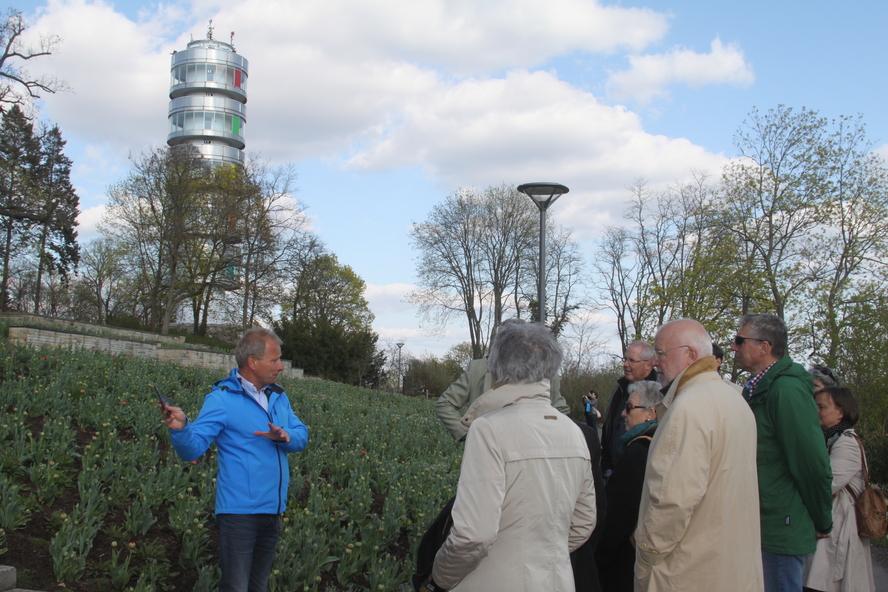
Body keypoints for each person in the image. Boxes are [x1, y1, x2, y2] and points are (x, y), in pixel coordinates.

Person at [430, 320, 597, 591]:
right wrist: (541, 556)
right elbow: (584, 522)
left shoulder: (487, 429)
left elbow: (473, 536)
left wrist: (440, 577)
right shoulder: (574, 432)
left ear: (496, 366)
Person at [161, 328, 309, 592]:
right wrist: (181, 429)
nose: (280, 367)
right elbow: (192, 449)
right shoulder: (222, 399)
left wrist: (285, 437)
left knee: (258, 586)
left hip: (273, 511)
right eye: (275, 360)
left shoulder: (278, 396)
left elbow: (302, 434)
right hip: (239, 514)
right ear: (253, 362)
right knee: (236, 587)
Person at [635, 319, 762, 592]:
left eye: (661, 353)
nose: (656, 362)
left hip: (688, 571)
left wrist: (646, 556)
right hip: (730, 566)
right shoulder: (735, 400)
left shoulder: (688, 407)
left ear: (690, 354)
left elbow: (672, 501)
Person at [731, 313, 832, 592]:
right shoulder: (757, 388)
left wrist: (822, 518)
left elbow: (811, 462)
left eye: (740, 340)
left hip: (781, 525)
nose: (734, 347)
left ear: (765, 346)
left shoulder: (786, 390)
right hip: (763, 520)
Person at [804, 386, 876, 592]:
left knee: (829, 583)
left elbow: (826, 486)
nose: (817, 411)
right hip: (835, 526)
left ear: (841, 411)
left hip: (841, 527)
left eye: (822, 407)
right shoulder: (833, 439)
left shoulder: (846, 443)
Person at [594, 380, 660, 592]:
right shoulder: (659, 445)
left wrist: (598, 556)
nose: (623, 413)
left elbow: (618, 517)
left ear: (651, 413)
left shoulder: (637, 452)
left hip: (625, 563)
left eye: (630, 408)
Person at [436, 348, 570, 442]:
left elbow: (560, 410)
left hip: (532, 449)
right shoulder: (478, 368)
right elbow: (445, 403)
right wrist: (467, 433)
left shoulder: (545, 371)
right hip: (486, 449)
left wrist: (548, 437)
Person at [600, 341, 657, 478]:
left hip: (638, 473)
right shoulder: (620, 388)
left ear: (648, 364)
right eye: (625, 359)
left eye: (631, 360)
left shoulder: (657, 392)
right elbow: (610, 426)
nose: (625, 364)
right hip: (611, 472)